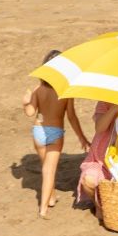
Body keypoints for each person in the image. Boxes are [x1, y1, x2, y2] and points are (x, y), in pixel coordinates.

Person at [23, 50, 90, 219]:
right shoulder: (66, 91)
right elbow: (72, 117)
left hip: (38, 131)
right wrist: (81, 137)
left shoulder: (38, 89)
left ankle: (52, 197)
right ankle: (44, 208)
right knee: (49, 171)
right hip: (56, 132)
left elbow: (30, 113)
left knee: (45, 165)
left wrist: (25, 103)